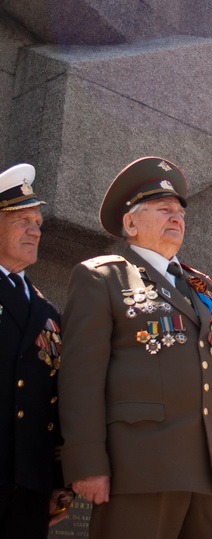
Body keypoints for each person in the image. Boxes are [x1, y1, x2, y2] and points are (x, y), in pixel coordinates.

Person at [58, 157, 212, 539]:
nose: (176, 218)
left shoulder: (206, 288)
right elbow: (80, 377)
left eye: (180, 212)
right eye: (164, 209)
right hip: (141, 466)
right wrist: (86, 461)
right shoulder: (102, 277)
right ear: (130, 223)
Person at [0, 164, 72, 537]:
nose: (35, 230)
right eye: (22, 220)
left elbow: (53, 400)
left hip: (30, 486)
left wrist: (58, 479)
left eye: (39, 223)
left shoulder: (47, 313)